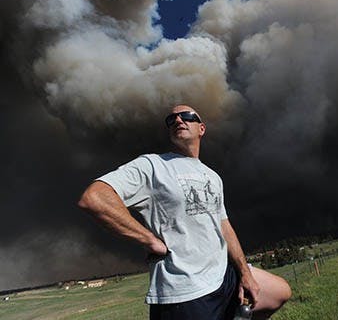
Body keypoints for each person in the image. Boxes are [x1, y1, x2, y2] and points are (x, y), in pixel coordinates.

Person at [78, 104, 292, 320]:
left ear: (201, 128)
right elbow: (94, 198)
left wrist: (245, 273)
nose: (178, 121)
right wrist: (148, 239)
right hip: (184, 292)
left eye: (187, 116)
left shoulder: (213, 176)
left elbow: (224, 226)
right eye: (171, 120)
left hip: (223, 275)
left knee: (279, 291)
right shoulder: (152, 165)